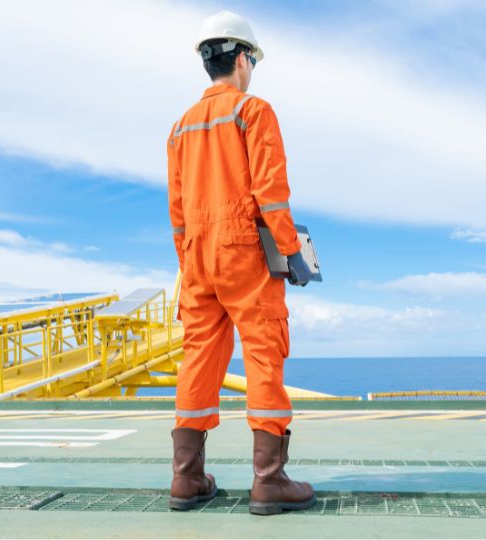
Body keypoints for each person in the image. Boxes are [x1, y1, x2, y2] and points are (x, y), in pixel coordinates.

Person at [165, 11, 316, 516]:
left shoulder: (180, 126)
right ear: (244, 59)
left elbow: (179, 211)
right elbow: (270, 194)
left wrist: (189, 262)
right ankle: (268, 481)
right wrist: (292, 252)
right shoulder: (253, 111)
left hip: (197, 258)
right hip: (244, 251)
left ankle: (186, 479)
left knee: (199, 358)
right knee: (263, 352)